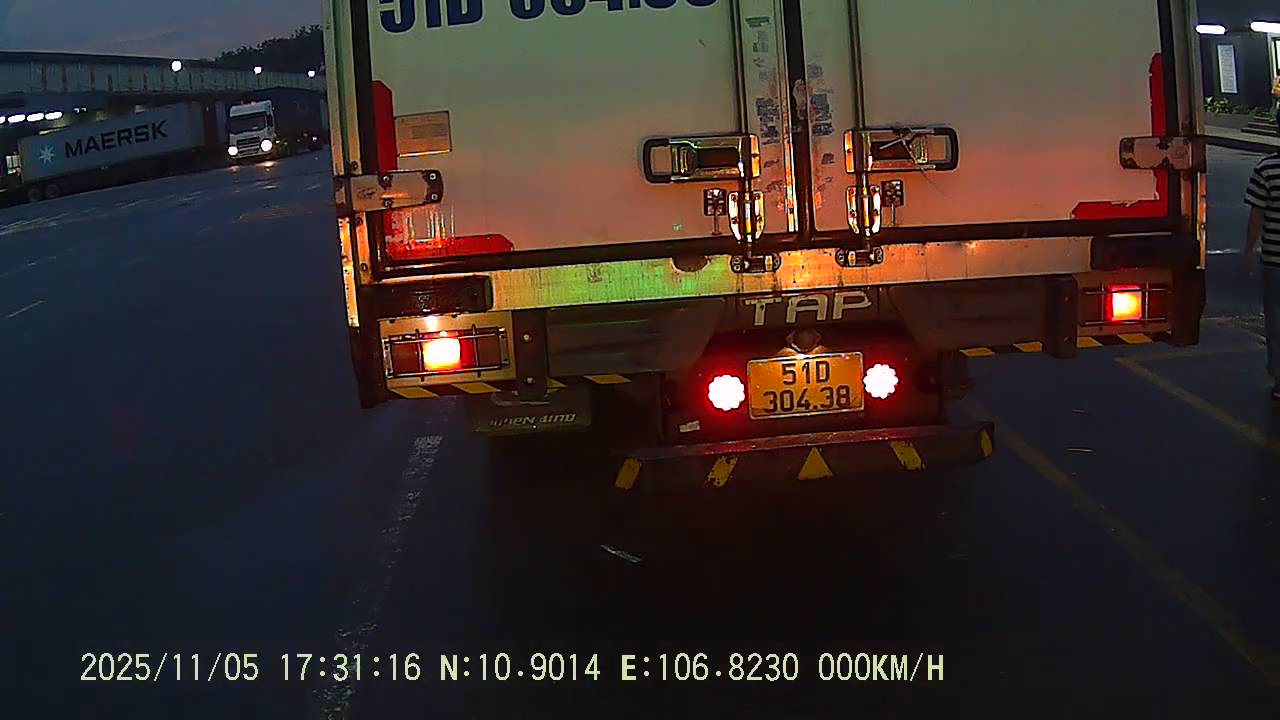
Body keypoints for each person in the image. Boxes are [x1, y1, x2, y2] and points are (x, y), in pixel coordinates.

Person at [1243, 113, 1280, 401]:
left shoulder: (1266, 168)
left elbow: (1257, 214)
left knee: (1276, 319)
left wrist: (1248, 250)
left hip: (1274, 260)